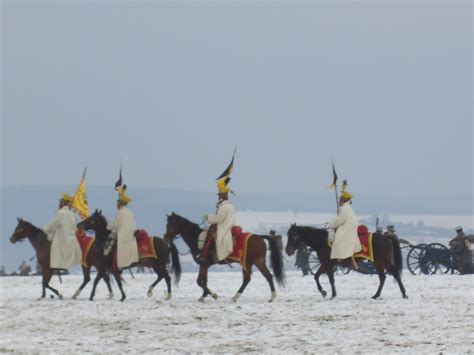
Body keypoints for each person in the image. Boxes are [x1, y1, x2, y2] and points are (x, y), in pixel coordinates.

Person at [43, 193, 82, 270]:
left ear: (65, 203)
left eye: (61, 202)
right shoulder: (71, 213)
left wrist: (43, 230)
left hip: (63, 239)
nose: (59, 203)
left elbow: (52, 225)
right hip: (72, 239)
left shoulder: (61, 213)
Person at [201, 177, 236, 263]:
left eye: (219, 195)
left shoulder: (224, 206)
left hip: (224, 227)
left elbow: (219, 218)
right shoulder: (230, 205)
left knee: (210, 235)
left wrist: (208, 217)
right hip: (229, 225)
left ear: (223, 195)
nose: (218, 197)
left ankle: (205, 255)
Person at [328, 188, 361, 266]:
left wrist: (331, 224)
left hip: (348, 229)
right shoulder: (346, 208)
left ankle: (340, 257)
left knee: (338, 239)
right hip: (348, 227)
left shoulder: (345, 208)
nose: (339, 201)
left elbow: (339, 221)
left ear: (343, 200)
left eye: (340, 199)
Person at [107, 190, 139, 270]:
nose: (116, 204)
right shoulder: (129, 211)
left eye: (117, 203)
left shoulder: (121, 212)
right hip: (130, 233)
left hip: (124, 234)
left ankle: (120, 264)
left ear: (120, 204)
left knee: (116, 243)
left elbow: (117, 224)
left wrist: (107, 226)